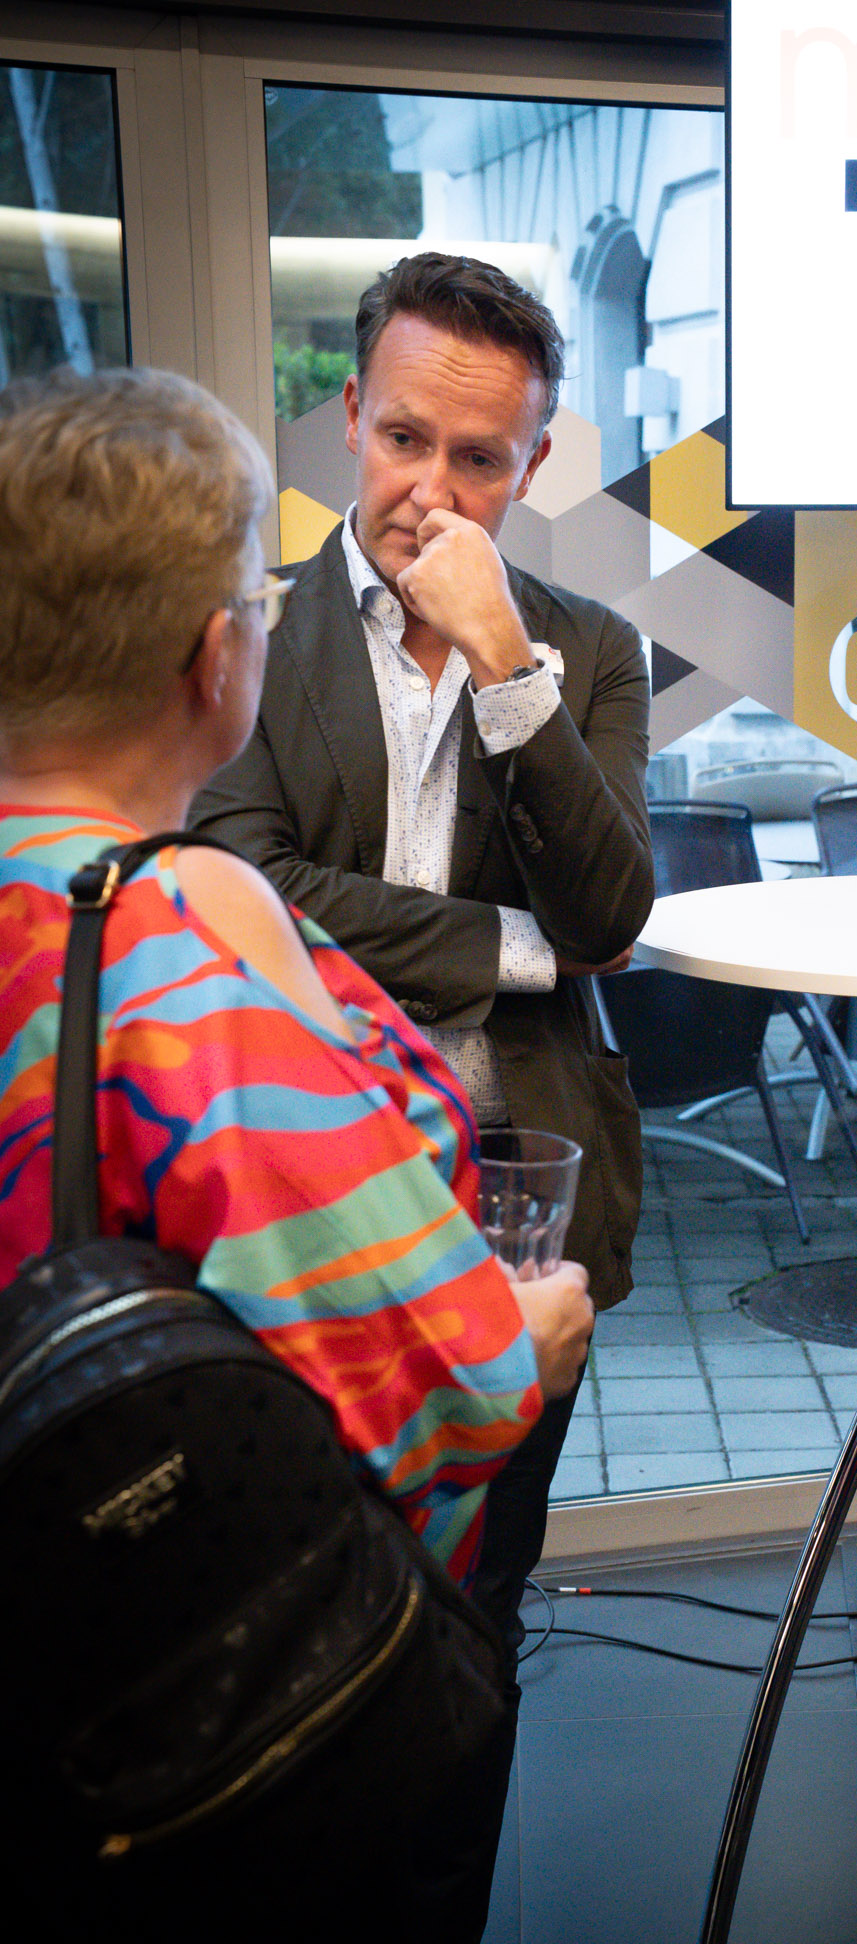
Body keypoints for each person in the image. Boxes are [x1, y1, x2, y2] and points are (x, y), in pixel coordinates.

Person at [0, 364, 594, 1944]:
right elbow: (440, 1379)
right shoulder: (179, 968)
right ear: (218, 662)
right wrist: (529, 1336)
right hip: (165, 1758)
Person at [188, 251, 654, 1676]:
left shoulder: (587, 653)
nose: (430, 491)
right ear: (349, 416)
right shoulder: (249, 628)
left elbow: (609, 915)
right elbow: (246, 884)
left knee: (485, 1590)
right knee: (293, 1578)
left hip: (516, 1182)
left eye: (479, 458)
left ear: (535, 465)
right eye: (403, 438)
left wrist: (509, 670)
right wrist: (519, 948)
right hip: (302, 1164)